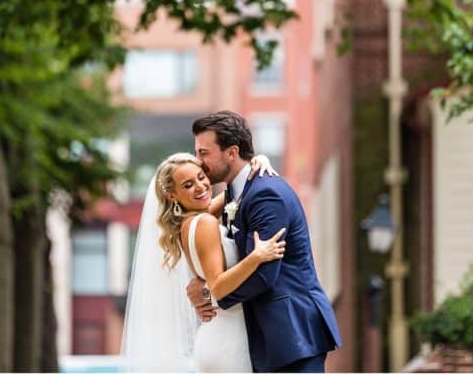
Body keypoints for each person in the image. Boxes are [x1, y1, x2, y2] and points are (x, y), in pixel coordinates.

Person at [187, 112, 341, 373]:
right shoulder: (235, 192)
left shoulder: (265, 195)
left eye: (204, 153)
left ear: (232, 152)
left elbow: (264, 274)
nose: (199, 163)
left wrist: (212, 296)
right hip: (267, 337)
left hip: (292, 334)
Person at [122, 152, 283, 373]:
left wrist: (259, 161)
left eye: (201, 177)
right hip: (229, 339)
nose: (200, 187)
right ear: (172, 195)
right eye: (188, 185)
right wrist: (256, 257)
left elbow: (233, 193)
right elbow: (217, 285)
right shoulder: (204, 223)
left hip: (215, 333)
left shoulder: (188, 224)